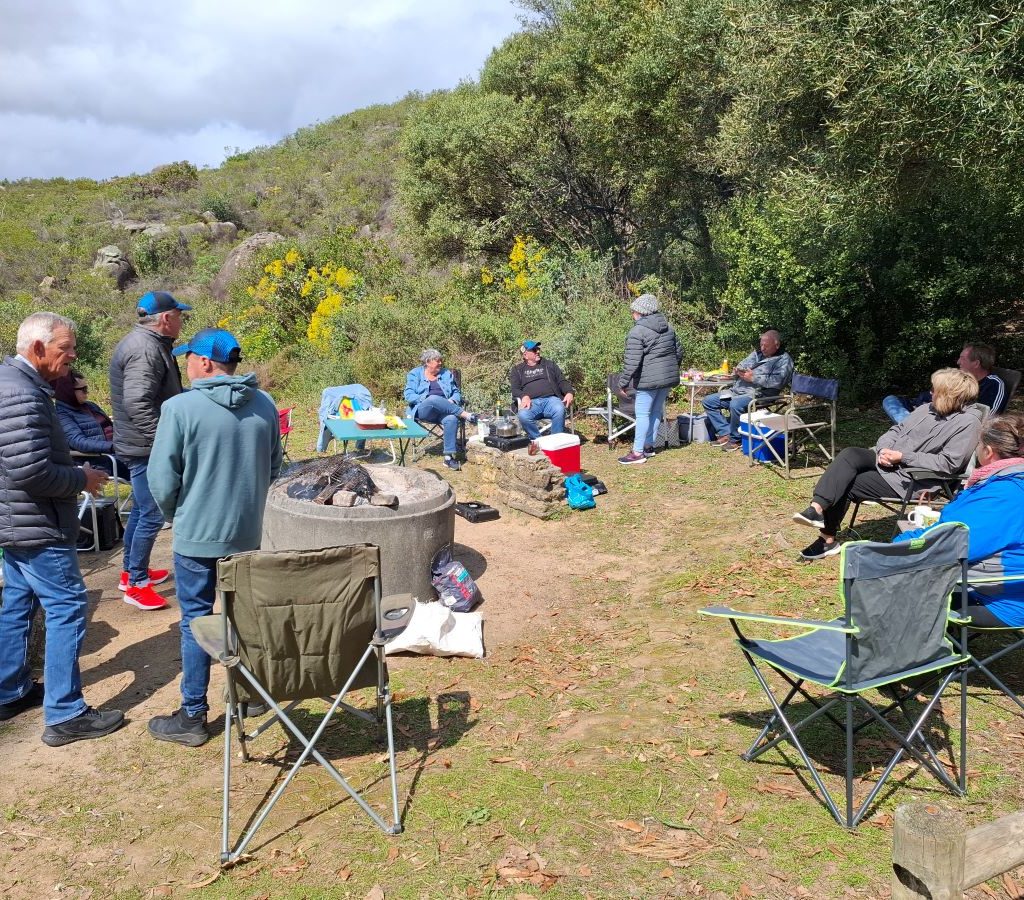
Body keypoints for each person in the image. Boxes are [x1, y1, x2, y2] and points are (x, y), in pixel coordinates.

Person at [147, 328, 283, 746]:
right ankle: (252, 696)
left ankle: (192, 715)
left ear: (205, 363)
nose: (185, 364)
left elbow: (160, 479)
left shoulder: (180, 408)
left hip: (196, 537)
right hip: (246, 534)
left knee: (195, 621)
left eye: (189, 357)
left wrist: (179, 516)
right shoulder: (264, 404)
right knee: (242, 616)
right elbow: (275, 467)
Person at [0, 312, 124, 746]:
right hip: (38, 524)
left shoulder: (15, 384)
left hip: (18, 522)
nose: (72, 356)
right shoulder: (23, 394)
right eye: (65, 349)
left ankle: (9, 690)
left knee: (17, 601)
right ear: (37, 349)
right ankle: (66, 713)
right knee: (68, 607)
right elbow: (31, 471)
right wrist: (81, 479)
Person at [792, 367, 982, 560]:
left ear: (948, 395)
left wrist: (902, 456)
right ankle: (816, 508)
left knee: (849, 482)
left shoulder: (968, 424)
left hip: (913, 478)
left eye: (935, 390)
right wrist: (884, 450)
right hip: (890, 460)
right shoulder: (927, 409)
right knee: (850, 455)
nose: (930, 393)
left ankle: (827, 540)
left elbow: (949, 463)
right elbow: (896, 430)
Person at [893, 413, 1024, 627]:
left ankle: (923, 654)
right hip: (1010, 588)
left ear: (988, 451)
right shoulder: (1009, 485)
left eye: (978, 444)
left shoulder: (1001, 495)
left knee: (896, 584)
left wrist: (897, 544)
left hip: (1003, 602)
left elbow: (949, 545)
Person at [109, 291, 190, 610]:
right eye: (179, 315)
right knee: (153, 512)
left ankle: (130, 572)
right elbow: (137, 402)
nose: (181, 320)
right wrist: (164, 442)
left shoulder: (149, 343)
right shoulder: (145, 349)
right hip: (144, 447)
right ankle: (137, 583)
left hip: (138, 443)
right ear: (166, 318)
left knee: (143, 511)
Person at [617, 294, 683, 465]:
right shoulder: (669, 327)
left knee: (642, 414)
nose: (632, 314)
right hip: (667, 379)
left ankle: (637, 452)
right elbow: (678, 352)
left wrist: (623, 382)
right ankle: (648, 446)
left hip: (648, 380)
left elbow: (632, 361)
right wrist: (671, 369)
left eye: (634, 311)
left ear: (641, 312)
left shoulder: (637, 331)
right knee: (655, 412)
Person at [702, 329, 794, 450]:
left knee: (735, 404)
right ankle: (726, 433)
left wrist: (754, 378)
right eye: (761, 344)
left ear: (777, 345)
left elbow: (778, 382)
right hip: (737, 390)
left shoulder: (784, 360)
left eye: (766, 346)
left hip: (759, 394)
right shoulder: (756, 354)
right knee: (708, 401)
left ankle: (736, 439)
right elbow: (742, 364)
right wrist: (738, 371)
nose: (762, 348)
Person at [883, 342, 1007, 424]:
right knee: (890, 400)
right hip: (923, 410)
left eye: (962, 358)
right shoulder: (959, 378)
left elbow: (986, 419)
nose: (958, 362)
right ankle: (910, 425)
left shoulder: (994, 385)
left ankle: (910, 427)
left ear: (976, 363)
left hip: (941, 420)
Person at [404, 349, 476, 471]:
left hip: (444, 411)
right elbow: (408, 395)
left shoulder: (446, 374)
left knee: (451, 418)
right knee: (432, 399)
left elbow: (456, 392)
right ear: (428, 362)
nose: (441, 363)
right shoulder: (415, 374)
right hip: (424, 410)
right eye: (438, 361)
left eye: (441, 360)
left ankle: (448, 458)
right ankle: (466, 415)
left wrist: (453, 400)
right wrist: (425, 398)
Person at [52, 369, 130, 480]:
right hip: (99, 460)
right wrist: (112, 446)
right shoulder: (62, 415)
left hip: (118, 453)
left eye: (86, 388)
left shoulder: (90, 406)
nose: (87, 392)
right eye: (83, 389)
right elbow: (78, 442)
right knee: (142, 464)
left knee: (147, 456)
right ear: (68, 391)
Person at [510, 340, 574, 440]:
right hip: (531, 403)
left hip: (551, 400)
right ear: (525, 355)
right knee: (523, 415)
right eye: (534, 350)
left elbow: (562, 381)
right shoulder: (517, 370)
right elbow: (515, 389)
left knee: (559, 409)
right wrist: (524, 396)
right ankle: (537, 441)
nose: (538, 351)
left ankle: (556, 442)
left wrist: (569, 392)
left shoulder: (549, 365)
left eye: (538, 349)